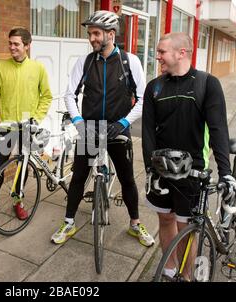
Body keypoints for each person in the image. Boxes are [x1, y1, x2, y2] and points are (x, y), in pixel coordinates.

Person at [50, 10, 155, 247]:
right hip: (89, 129)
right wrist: (78, 122)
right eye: (90, 34)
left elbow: (142, 99)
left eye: (96, 33)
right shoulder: (85, 62)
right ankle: (69, 222)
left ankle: (135, 224)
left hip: (119, 128)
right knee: (78, 177)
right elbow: (69, 95)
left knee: (127, 179)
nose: (92, 38)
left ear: (111, 34)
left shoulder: (130, 61)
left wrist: (124, 123)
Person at [142, 32, 236, 279]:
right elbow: (147, 133)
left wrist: (225, 173)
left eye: (162, 51)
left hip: (192, 170)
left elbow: (218, 130)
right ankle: (169, 269)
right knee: (165, 220)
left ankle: (187, 277)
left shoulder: (207, 83)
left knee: (186, 226)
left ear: (181, 53)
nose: (158, 56)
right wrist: (150, 169)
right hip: (162, 170)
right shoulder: (154, 87)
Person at [0, 28, 53, 221]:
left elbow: (46, 97)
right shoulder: (0, 68)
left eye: (16, 44)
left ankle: (18, 201)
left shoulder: (38, 68)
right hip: (7, 128)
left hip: (27, 127)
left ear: (27, 46)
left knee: (22, 167)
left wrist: (36, 118)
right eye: (10, 43)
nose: (12, 47)